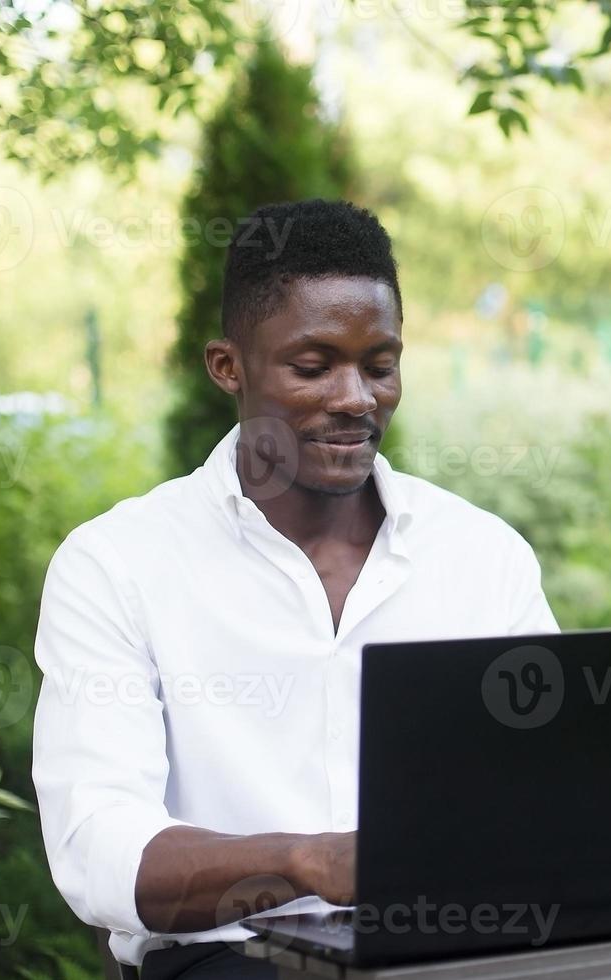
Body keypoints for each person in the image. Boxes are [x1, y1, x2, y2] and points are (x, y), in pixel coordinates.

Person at [31, 200, 560, 977]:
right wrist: (306, 862)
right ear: (228, 367)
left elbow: (548, 786)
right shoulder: (116, 565)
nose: (356, 397)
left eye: (380, 365)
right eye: (313, 367)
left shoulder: (484, 556)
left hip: (454, 951)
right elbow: (101, 850)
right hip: (228, 962)